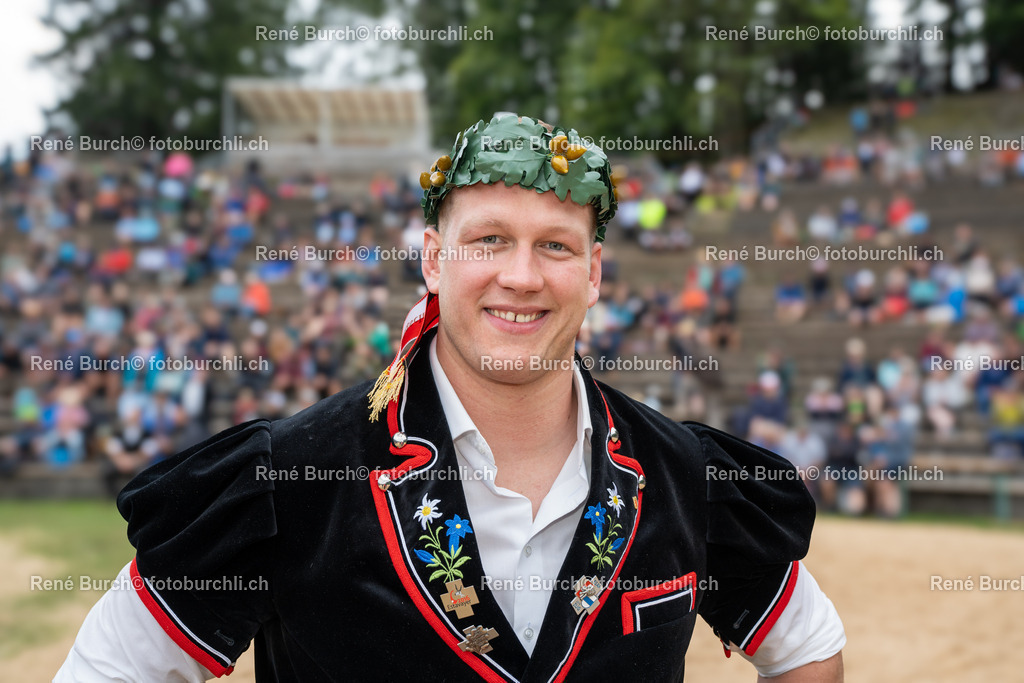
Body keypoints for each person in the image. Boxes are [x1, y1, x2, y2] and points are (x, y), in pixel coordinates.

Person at [57, 114, 844, 681]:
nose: (522, 276)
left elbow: (808, 645)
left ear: (594, 272)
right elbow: (109, 667)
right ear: (434, 259)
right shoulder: (290, 475)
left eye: (555, 245)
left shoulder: (683, 471)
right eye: (490, 239)